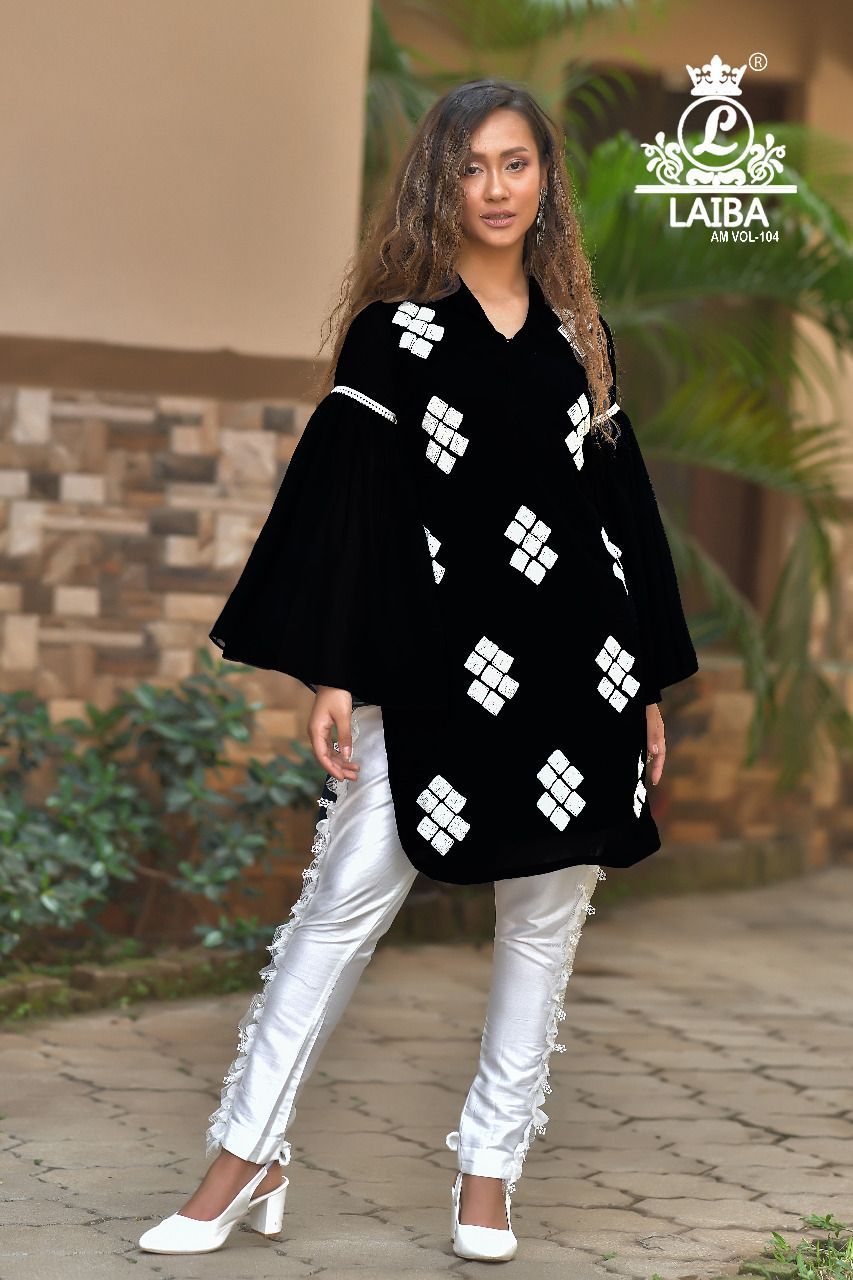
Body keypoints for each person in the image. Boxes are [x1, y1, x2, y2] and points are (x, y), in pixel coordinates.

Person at [138, 78, 698, 1262]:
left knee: (542, 921)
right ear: (436, 183)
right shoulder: (393, 334)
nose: (493, 188)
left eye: (514, 163)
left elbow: (620, 519)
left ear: (545, 179)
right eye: (469, 166)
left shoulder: (581, 342)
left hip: (580, 672)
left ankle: (488, 1174)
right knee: (341, 903)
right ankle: (246, 1152)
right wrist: (336, 670)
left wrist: (643, 678)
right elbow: (348, 507)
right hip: (435, 665)